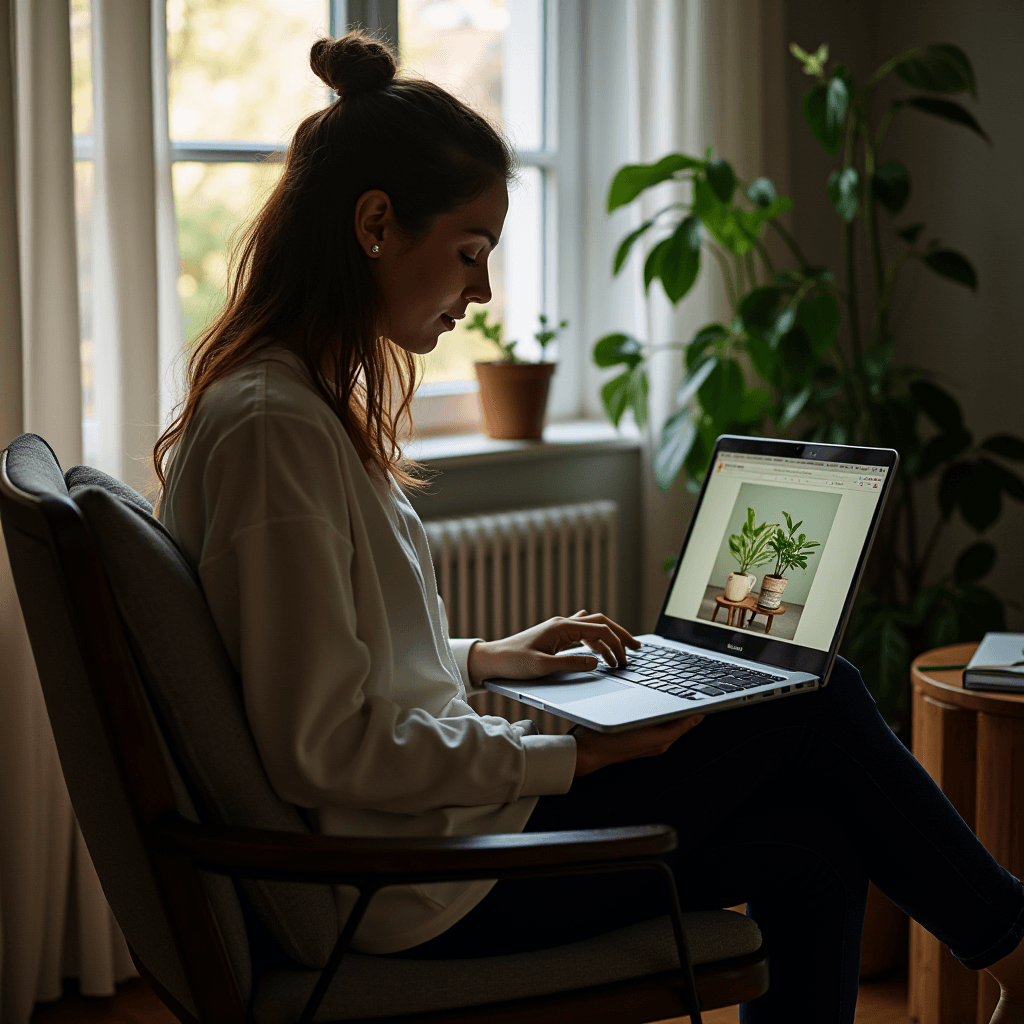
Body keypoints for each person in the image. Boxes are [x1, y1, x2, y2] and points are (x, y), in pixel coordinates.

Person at [154, 30, 1024, 1024]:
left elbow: (321, 665)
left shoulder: (287, 406)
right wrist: (569, 758)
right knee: (816, 696)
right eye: (470, 252)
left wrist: (484, 656)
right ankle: (1014, 946)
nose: (479, 292)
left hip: (429, 852)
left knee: (813, 848)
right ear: (375, 224)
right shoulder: (276, 428)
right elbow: (324, 746)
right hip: (410, 885)